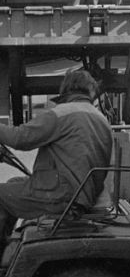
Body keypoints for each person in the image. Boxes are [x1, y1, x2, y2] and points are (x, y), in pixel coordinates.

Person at [0, 69, 113, 249]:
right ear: (90, 91)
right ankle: (8, 246)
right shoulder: (99, 117)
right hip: (82, 192)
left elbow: (20, 138)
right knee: (14, 181)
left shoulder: (62, 113)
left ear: (66, 88)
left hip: (62, 195)